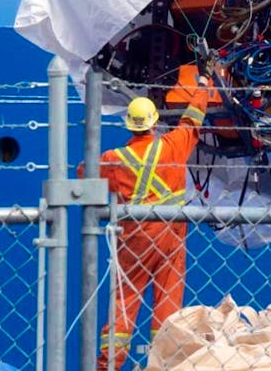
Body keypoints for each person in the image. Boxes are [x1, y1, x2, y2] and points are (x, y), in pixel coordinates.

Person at [95, 71, 211, 371]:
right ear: (156, 121)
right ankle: (165, 364)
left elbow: (85, 176)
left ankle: (108, 365)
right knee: (169, 302)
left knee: (125, 300)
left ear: (129, 125)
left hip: (133, 239)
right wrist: (204, 85)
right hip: (171, 236)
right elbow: (192, 120)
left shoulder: (113, 159)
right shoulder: (172, 146)